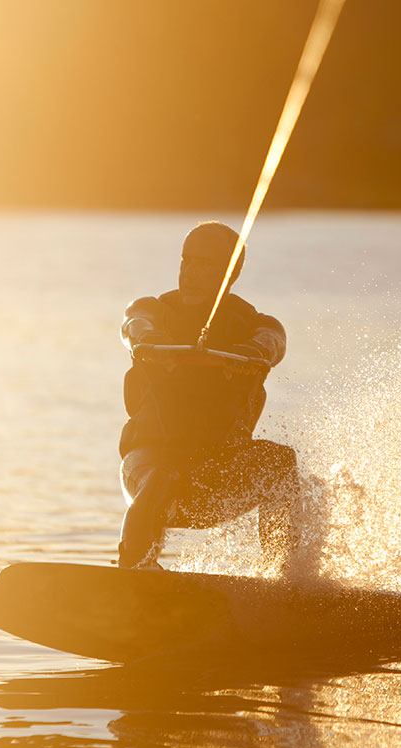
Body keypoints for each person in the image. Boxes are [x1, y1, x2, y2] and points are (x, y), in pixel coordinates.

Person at [117, 221, 304, 574]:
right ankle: (135, 572)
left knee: (279, 463)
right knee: (162, 478)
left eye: (204, 265)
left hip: (216, 475)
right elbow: (132, 323)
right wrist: (152, 344)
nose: (190, 273)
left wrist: (250, 353)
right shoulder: (154, 311)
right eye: (186, 261)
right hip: (149, 464)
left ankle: (286, 579)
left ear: (228, 273)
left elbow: (273, 339)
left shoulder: (254, 323)